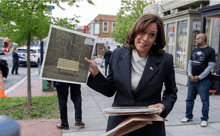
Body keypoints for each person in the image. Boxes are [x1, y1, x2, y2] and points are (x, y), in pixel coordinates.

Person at [85, 14, 178, 136]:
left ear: (156, 39)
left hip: (149, 126)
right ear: (135, 32)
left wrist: (163, 106)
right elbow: (110, 90)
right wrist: (96, 73)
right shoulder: (118, 54)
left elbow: (171, 92)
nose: (145, 38)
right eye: (143, 32)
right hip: (120, 124)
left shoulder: (165, 60)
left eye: (152, 35)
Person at [181, 33, 215, 127]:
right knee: (189, 99)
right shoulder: (195, 50)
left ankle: (204, 119)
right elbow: (190, 63)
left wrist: (200, 77)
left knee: (205, 101)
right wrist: (190, 75)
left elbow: (211, 65)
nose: (196, 40)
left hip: (204, 81)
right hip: (192, 80)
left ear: (203, 39)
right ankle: (188, 116)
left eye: (197, 39)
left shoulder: (210, 50)